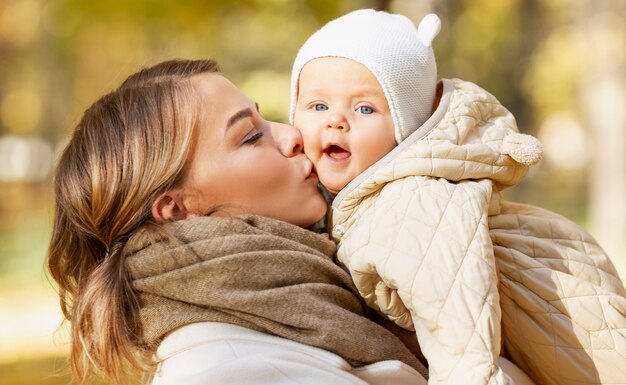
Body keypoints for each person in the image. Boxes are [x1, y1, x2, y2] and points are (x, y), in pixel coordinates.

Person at [289, 9, 626, 385]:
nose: (336, 121)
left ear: (405, 131)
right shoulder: (363, 198)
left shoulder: (409, 202)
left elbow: (458, 324)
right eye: (318, 106)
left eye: (365, 108)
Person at [46, 58, 434, 385]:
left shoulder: (343, 287)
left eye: (266, 119)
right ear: (178, 209)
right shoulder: (230, 371)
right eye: (250, 137)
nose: (292, 135)